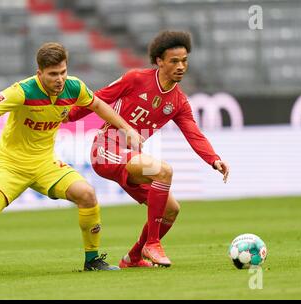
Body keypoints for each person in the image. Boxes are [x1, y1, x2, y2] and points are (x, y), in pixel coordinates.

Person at [0, 42, 143, 277]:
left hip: (45, 164)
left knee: (86, 194)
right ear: (40, 73)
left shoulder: (74, 87)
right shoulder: (22, 91)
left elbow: (97, 105)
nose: (60, 79)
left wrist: (126, 128)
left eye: (63, 72)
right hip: (10, 167)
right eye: (53, 74)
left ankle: (93, 260)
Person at [66, 30, 230, 268]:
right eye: (174, 61)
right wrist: (67, 115)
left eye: (184, 60)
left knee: (172, 209)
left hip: (131, 156)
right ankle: (152, 243)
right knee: (164, 171)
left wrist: (214, 159)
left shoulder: (179, 102)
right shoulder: (135, 79)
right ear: (159, 61)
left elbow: (193, 133)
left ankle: (132, 257)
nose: (181, 66)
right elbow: (98, 99)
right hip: (105, 148)